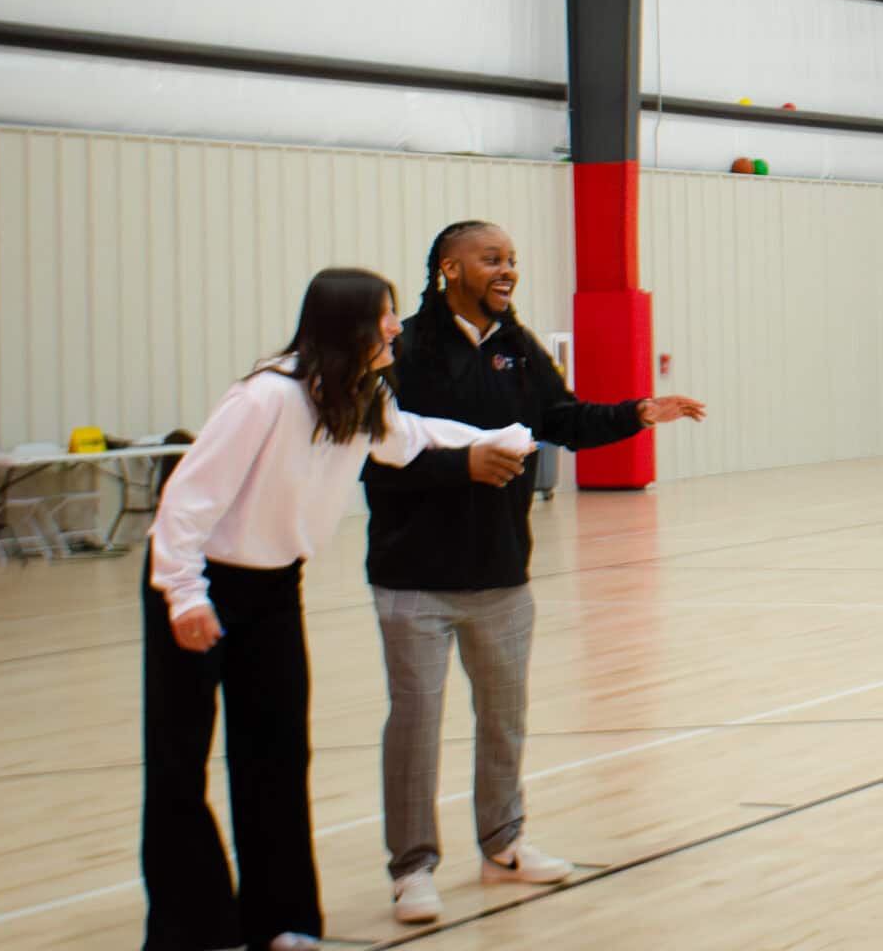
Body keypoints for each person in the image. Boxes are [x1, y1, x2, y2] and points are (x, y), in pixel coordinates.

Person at [142, 268, 527, 951]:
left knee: (278, 755)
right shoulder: (264, 398)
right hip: (196, 583)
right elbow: (185, 503)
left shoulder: (361, 397)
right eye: (383, 315)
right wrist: (185, 595)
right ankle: (193, 930)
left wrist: (488, 437)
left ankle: (281, 922)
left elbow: (409, 437)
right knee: (179, 764)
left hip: (273, 590)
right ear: (345, 323)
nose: (393, 327)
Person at [362, 220, 706, 924]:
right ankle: (412, 870)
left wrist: (636, 413)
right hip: (413, 576)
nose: (507, 269)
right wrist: (463, 466)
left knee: (504, 721)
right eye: (492, 258)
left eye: (513, 259)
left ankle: (504, 845)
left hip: (501, 575)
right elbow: (379, 457)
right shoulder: (406, 351)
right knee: (416, 724)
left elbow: (562, 419)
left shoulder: (518, 348)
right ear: (450, 268)